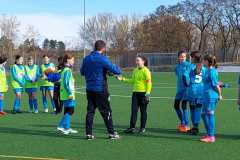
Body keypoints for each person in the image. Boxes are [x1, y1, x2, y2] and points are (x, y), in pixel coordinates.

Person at [80, 40, 122, 140]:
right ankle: (111, 133)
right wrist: (113, 70)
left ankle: (88, 134)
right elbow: (116, 70)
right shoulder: (103, 59)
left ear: (95, 47)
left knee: (90, 111)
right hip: (100, 89)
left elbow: (82, 72)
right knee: (106, 111)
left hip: (89, 89)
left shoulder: (86, 59)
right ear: (103, 48)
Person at [117, 55, 152, 134]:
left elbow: (149, 83)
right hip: (135, 94)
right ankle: (132, 127)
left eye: (138, 60)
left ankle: (142, 128)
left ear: (143, 61)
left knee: (143, 112)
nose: (136, 62)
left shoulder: (146, 71)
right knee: (134, 111)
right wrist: (122, 79)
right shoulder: (135, 70)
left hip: (143, 94)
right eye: (136, 61)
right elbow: (132, 80)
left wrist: (148, 94)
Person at [200, 54, 222, 143]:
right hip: (206, 95)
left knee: (209, 114)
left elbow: (215, 85)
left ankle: (211, 136)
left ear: (208, 62)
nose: (203, 62)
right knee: (203, 114)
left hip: (211, 96)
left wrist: (220, 94)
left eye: (204, 60)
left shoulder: (212, 72)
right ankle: (209, 133)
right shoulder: (207, 70)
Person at [185, 51, 206, 135]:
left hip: (192, 90)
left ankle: (195, 127)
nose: (190, 59)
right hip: (201, 90)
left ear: (194, 58)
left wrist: (187, 84)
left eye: (191, 57)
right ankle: (196, 127)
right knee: (198, 109)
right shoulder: (203, 67)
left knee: (192, 109)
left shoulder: (191, 66)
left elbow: (185, 75)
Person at [57, 54, 78, 135]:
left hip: (64, 94)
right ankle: (61, 126)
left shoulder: (65, 69)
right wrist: (70, 93)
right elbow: (66, 83)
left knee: (67, 110)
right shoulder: (67, 70)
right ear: (68, 60)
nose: (74, 61)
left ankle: (67, 128)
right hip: (67, 95)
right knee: (71, 110)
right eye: (72, 60)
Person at [174, 50, 191, 132]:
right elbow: (178, 75)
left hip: (187, 89)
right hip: (179, 90)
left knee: (184, 106)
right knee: (176, 106)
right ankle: (182, 122)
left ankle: (186, 125)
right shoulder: (177, 67)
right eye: (181, 56)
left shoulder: (189, 65)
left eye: (184, 56)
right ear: (178, 57)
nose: (182, 58)